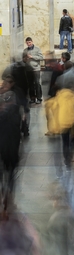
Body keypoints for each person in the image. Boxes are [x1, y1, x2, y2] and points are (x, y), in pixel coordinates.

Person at [0, 76, 22, 210]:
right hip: (12, 149)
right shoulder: (15, 114)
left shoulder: (3, 117)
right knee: (10, 173)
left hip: (4, 149)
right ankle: (8, 194)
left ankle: (5, 192)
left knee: (4, 172)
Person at [23, 37, 44, 104]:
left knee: (37, 83)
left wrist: (32, 57)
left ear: (32, 42)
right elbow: (23, 60)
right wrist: (25, 58)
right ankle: (32, 98)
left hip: (36, 69)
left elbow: (41, 58)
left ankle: (39, 98)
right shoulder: (25, 50)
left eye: (29, 42)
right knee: (30, 84)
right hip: (28, 69)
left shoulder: (37, 49)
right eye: (27, 43)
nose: (28, 44)